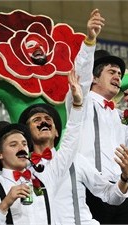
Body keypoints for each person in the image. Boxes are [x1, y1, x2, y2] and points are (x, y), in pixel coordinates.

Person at [0, 68, 85, 225]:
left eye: (24, 143)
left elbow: (69, 144)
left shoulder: (46, 177)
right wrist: (5, 204)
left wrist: (78, 105)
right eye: (13, 144)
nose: (22, 147)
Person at [66, 8, 128, 225]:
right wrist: (90, 40)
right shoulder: (80, 101)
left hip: (121, 189)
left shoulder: (120, 115)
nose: (118, 76)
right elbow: (79, 76)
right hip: (90, 189)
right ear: (94, 78)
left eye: (120, 74)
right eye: (112, 71)